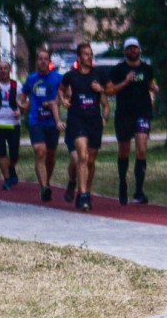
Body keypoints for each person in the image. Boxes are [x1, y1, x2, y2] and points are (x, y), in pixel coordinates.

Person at [59, 42, 109, 211]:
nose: (90, 57)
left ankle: (84, 190)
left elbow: (110, 91)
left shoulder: (99, 73)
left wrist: (100, 89)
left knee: (91, 161)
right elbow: (61, 89)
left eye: (91, 54)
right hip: (77, 120)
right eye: (86, 54)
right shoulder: (71, 76)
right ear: (79, 58)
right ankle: (84, 195)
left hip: (94, 121)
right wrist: (64, 100)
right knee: (83, 156)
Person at [110, 37, 158, 204]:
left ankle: (139, 190)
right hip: (124, 114)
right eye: (129, 48)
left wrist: (154, 88)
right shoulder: (118, 70)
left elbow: (152, 83)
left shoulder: (147, 69)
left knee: (142, 150)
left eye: (135, 48)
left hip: (142, 113)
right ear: (125, 51)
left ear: (139, 50)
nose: (133, 51)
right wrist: (126, 81)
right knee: (124, 151)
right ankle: (123, 185)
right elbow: (111, 90)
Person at [19, 49, 65, 202]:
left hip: (52, 122)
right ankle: (44, 187)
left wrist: (55, 102)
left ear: (49, 61)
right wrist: (21, 104)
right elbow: (23, 95)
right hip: (36, 121)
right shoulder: (32, 79)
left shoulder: (58, 78)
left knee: (50, 156)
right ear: (37, 61)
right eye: (40, 59)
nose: (43, 62)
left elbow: (66, 95)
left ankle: (47, 182)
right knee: (40, 151)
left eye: (46, 59)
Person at [0, 61, 22, 190]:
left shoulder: (17, 85)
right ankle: (7, 179)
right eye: (1, 68)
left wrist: (21, 111)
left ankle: (11, 166)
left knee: (14, 154)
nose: (3, 71)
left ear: (9, 70)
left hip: (13, 123)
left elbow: (25, 101)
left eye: (5, 68)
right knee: (1, 151)